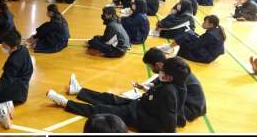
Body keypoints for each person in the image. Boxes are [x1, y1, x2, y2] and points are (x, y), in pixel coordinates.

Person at [47, 57, 190, 133]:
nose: (160, 71)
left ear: (169, 77)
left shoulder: (170, 92)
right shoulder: (175, 81)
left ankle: (65, 103)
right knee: (109, 98)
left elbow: (170, 119)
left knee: (101, 110)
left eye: (163, 70)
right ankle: (78, 90)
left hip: (139, 116)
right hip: (140, 105)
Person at [143, 48, 206, 121]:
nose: (151, 69)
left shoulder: (174, 74)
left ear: (158, 65)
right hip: (196, 104)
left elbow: (167, 93)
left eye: (150, 66)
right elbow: (159, 80)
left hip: (191, 108)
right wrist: (151, 84)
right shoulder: (172, 67)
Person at [159, 15, 225, 64]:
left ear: (211, 24)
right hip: (208, 53)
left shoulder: (211, 35)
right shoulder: (216, 30)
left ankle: (169, 48)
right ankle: (170, 47)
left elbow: (195, 46)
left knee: (184, 39)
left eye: (205, 22)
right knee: (188, 34)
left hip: (206, 57)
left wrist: (185, 42)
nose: (203, 23)